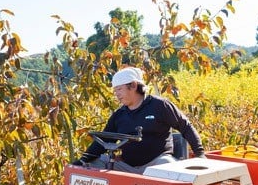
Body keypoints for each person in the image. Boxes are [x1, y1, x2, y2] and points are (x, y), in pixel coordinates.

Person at [72, 67, 205, 174]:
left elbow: (185, 126)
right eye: (115, 90)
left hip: (157, 164)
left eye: (119, 89)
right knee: (89, 167)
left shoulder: (160, 106)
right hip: (126, 166)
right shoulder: (119, 115)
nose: (116, 94)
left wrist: (199, 154)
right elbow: (104, 140)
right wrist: (83, 160)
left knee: (171, 171)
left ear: (134, 85)